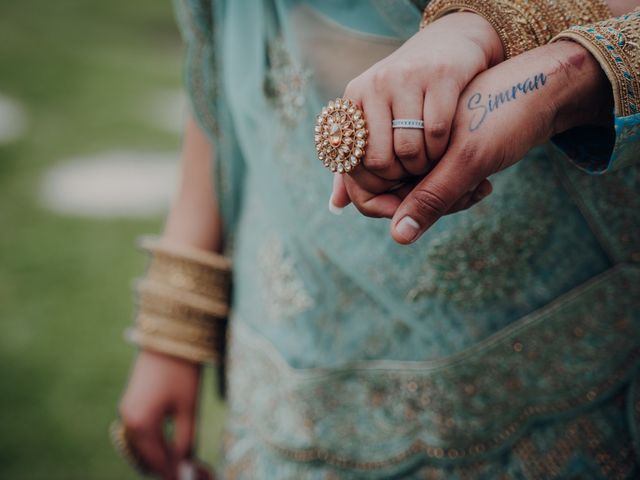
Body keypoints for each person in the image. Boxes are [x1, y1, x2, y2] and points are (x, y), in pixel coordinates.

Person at [116, 0, 640, 478]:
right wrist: (173, 323)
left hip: (520, 335)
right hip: (285, 349)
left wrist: (510, 41)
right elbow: (224, 56)